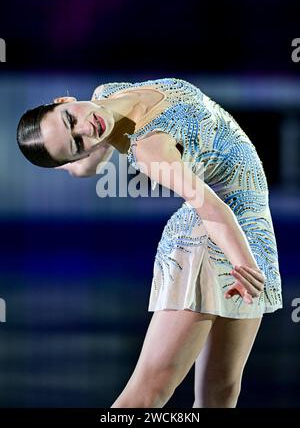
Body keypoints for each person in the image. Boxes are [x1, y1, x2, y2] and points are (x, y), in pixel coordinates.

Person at [16, 77, 283, 408]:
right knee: (149, 393)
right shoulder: (149, 151)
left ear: (62, 99)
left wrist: (75, 162)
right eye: (76, 144)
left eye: (70, 119)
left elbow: (86, 166)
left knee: (222, 391)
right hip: (210, 236)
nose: (87, 130)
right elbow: (208, 206)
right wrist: (244, 263)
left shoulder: (106, 92)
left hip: (248, 227)